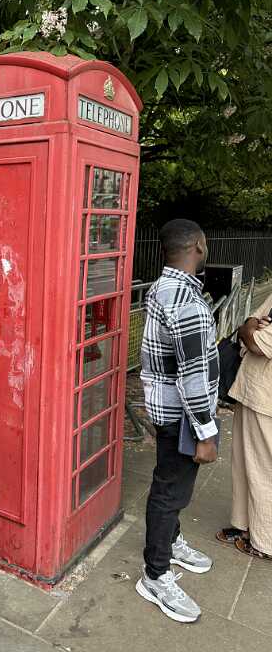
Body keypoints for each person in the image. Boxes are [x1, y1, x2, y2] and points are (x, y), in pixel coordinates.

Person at [136, 219, 219, 623]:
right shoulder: (187, 302)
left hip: (163, 407)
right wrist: (206, 432)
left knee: (169, 484)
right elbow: (193, 376)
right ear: (199, 246)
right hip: (182, 416)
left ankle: (171, 541)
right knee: (170, 492)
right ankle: (155, 574)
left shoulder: (161, 288)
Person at [216, 295, 272, 560]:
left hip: (266, 400)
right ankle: (243, 524)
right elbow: (248, 321)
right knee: (242, 464)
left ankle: (265, 540)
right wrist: (250, 326)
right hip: (251, 390)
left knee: (263, 469)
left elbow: (256, 342)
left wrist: (250, 330)